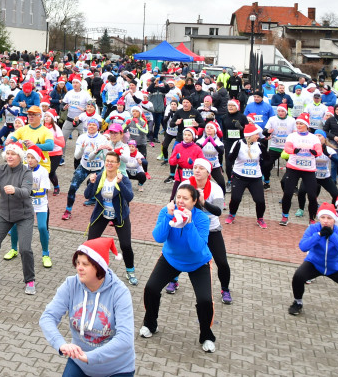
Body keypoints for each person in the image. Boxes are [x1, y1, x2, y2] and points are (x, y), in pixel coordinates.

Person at [39, 237, 137, 377]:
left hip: (116, 369)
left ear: (99, 267)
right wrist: (61, 344)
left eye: (85, 264)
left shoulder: (120, 292)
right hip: (80, 364)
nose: (79, 267)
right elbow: (47, 317)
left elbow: (125, 339)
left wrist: (90, 357)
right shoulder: (70, 285)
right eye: (78, 262)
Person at [139, 183, 217, 353]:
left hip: (198, 262)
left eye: (185, 198)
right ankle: (150, 324)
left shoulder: (202, 218)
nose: (180, 201)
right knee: (151, 289)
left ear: (194, 201)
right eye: (178, 197)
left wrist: (188, 224)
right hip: (171, 258)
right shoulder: (166, 211)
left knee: (204, 300)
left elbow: (197, 247)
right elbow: (158, 237)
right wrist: (168, 216)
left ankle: (207, 336)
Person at [287, 202, 338, 326]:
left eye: (329, 218)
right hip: (314, 263)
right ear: (319, 218)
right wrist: (319, 235)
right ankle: (297, 303)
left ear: (334, 219)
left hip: (334, 267)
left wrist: (333, 237)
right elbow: (303, 247)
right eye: (323, 217)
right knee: (298, 276)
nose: (325, 221)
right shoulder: (313, 229)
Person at [0, 145, 36, 294]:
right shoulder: (1, 169)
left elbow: (26, 191)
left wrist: (15, 190)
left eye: (13, 154)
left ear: (20, 156)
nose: (9, 156)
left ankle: (29, 280)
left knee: (24, 249)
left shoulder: (26, 172)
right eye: (8, 154)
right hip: (4, 214)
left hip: (24, 215)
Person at [84, 151, 137, 285]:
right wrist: (91, 183)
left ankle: (130, 271)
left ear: (118, 164)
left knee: (125, 245)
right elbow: (87, 195)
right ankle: (92, 270)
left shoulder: (123, 178)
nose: (109, 163)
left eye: (112, 161)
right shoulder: (100, 176)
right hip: (102, 214)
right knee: (91, 242)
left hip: (120, 214)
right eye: (107, 160)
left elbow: (130, 197)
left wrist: (120, 183)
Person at [190, 158, 233, 304]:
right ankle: (173, 280)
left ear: (208, 172)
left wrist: (203, 202)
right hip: (191, 230)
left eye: (201, 168)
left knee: (222, 262)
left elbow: (218, 211)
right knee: (177, 256)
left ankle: (225, 289)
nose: (197, 170)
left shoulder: (215, 189)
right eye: (195, 167)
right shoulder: (186, 185)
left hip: (212, 230)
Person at [225, 124, 267, 227]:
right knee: (236, 199)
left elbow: (267, 160)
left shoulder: (259, 145)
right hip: (239, 177)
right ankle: (231, 215)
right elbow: (230, 159)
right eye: (256, 134)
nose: (258, 136)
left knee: (260, 200)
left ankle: (260, 219)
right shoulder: (238, 143)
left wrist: (264, 151)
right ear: (250, 135)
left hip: (255, 178)